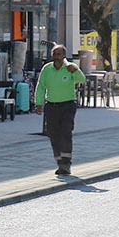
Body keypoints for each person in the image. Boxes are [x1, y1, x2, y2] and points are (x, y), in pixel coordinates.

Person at [35, 43, 82, 175]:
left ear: (64, 56)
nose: (56, 57)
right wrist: (38, 103)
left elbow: (82, 79)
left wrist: (76, 71)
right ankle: (59, 161)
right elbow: (40, 86)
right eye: (54, 54)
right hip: (52, 106)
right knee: (54, 135)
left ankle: (66, 163)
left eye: (58, 54)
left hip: (68, 105)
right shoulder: (47, 69)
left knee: (66, 132)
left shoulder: (70, 68)